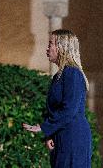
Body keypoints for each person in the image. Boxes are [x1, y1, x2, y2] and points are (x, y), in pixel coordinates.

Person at [23, 29, 92, 168]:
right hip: (62, 135)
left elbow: (69, 110)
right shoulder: (59, 76)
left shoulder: (72, 73)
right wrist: (51, 134)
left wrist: (43, 127)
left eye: (51, 44)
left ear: (62, 47)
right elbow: (56, 110)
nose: (47, 48)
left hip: (73, 137)